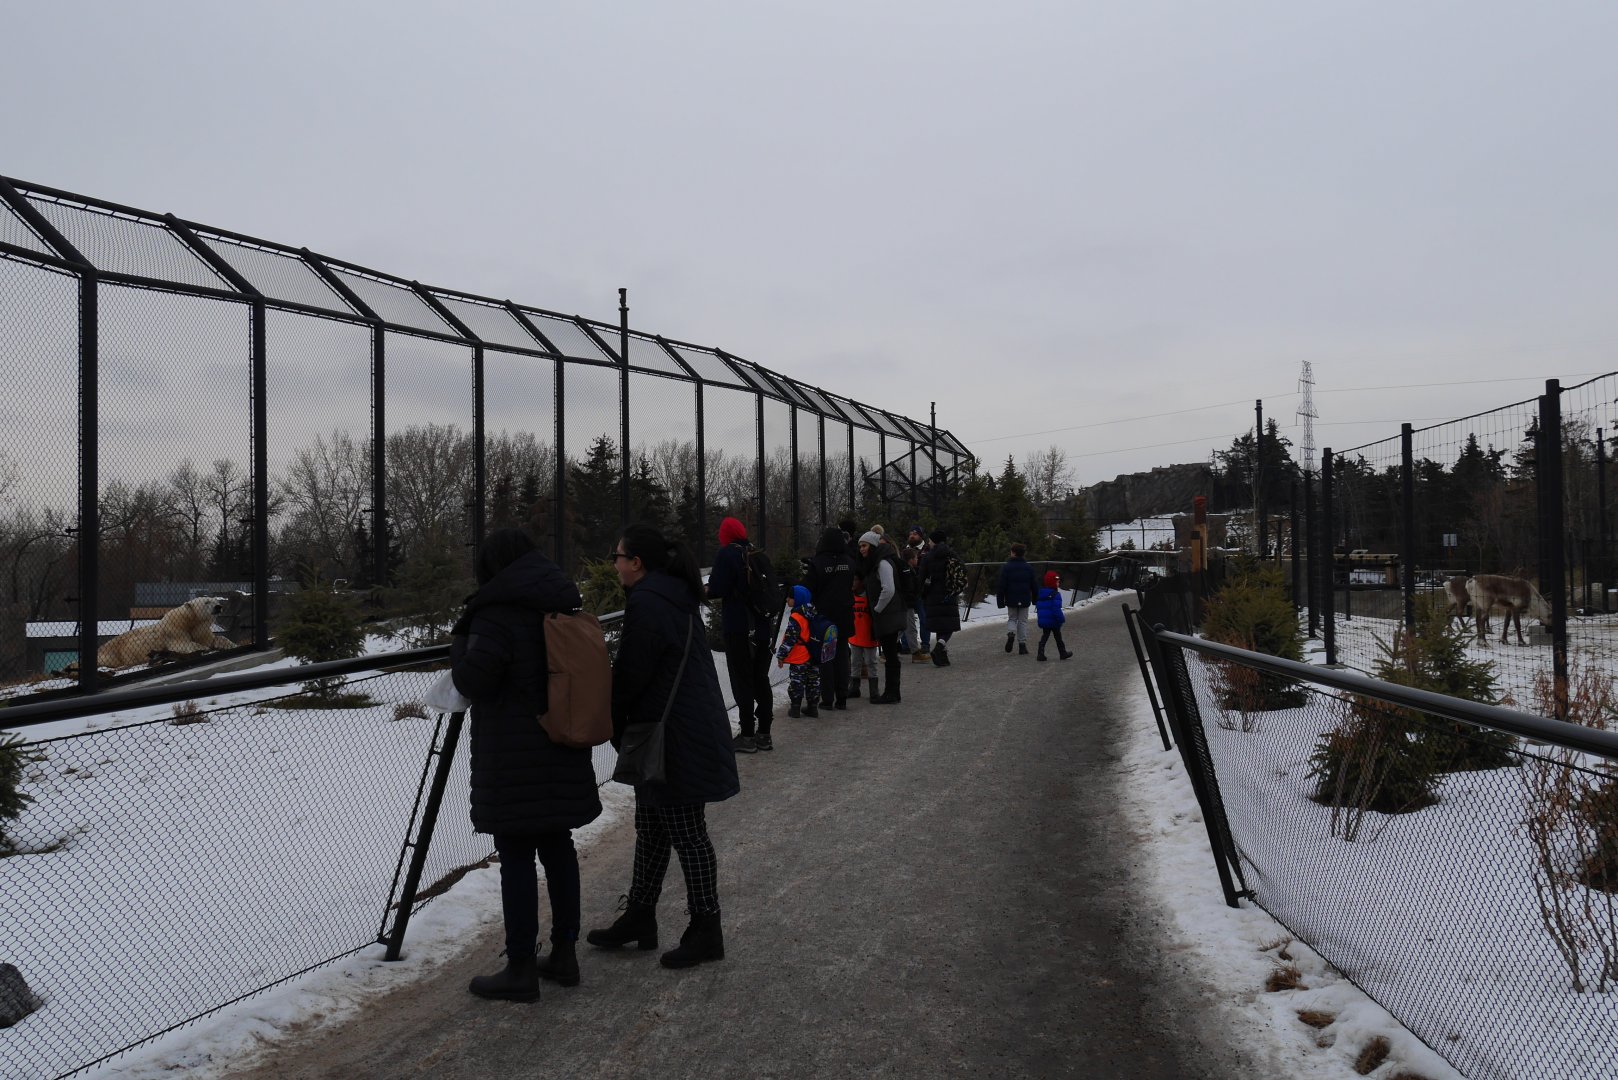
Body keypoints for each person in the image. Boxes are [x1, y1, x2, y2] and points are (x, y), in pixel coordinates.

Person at [451, 528, 603, 1003]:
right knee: (558, 846)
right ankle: (564, 953)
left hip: (515, 755)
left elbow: (475, 677)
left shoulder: (496, 613)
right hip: (561, 741)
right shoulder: (561, 602)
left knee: (516, 854)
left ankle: (520, 967)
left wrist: (460, 640)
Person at [588, 523, 740, 970]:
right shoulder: (671, 595)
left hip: (674, 737)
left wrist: (612, 720)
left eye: (618, 556)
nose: (614, 564)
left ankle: (706, 929)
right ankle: (640, 915)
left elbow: (635, 671)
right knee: (653, 828)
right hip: (680, 728)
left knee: (687, 833)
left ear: (636, 563)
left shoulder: (650, 602)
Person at [706, 516, 775, 753]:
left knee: (742, 680)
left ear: (726, 535)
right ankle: (765, 734)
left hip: (738, 628)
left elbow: (716, 588)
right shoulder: (758, 555)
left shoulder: (727, 555)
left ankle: (747, 735)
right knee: (761, 679)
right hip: (763, 627)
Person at [802, 527, 854, 710]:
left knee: (826, 657)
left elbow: (808, 588)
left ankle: (827, 698)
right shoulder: (848, 561)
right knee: (841, 655)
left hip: (824, 617)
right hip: (845, 614)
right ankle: (842, 697)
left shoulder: (817, 563)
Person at [856, 530, 906, 703]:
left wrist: (876, 609)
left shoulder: (882, 563)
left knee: (891, 655)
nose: (861, 549)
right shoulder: (876, 562)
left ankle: (892, 693)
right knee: (890, 654)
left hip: (888, 616)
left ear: (873, 545)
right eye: (860, 546)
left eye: (864, 545)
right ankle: (892, 692)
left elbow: (889, 589)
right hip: (888, 615)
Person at [776, 585, 821, 718]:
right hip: (813, 655)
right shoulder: (813, 612)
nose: (787, 600)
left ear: (797, 599)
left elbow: (790, 639)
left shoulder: (796, 617)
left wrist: (781, 655)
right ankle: (813, 708)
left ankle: (795, 708)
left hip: (800, 656)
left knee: (797, 681)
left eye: (790, 597)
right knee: (813, 681)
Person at [920, 527, 962, 667]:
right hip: (948, 593)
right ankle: (940, 648)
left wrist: (922, 593)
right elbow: (961, 571)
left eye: (930, 540)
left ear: (934, 541)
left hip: (932, 594)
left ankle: (942, 657)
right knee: (948, 625)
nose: (929, 543)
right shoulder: (952, 554)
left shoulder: (927, 557)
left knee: (940, 625)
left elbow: (921, 577)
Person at [996, 542, 1038, 655]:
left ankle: (1011, 633)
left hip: (1011, 598)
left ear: (1013, 553)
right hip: (1024, 598)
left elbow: (1001, 585)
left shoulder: (1006, 567)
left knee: (1012, 618)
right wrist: (1035, 599)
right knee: (1023, 621)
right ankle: (1022, 645)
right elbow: (1034, 585)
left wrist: (1000, 601)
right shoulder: (1028, 567)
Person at [847, 575, 880, 699]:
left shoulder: (870, 597)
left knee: (871, 662)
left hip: (869, 636)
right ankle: (854, 688)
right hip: (855, 635)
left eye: (856, 579)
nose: (853, 582)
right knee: (855, 662)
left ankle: (874, 690)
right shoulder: (850, 596)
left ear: (862, 581)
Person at [1035, 570, 1074, 661]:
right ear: (1053, 583)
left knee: (1045, 635)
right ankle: (1062, 653)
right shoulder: (1056, 595)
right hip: (1054, 620)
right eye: (1057, 582)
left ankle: (1040, 653)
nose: (1058, 583)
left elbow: (1039, 607)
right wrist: (1061, 619)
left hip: (1045, 620)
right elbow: (1056, 609)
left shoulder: (1041, 593)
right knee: (1058, 637)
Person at [906, 525, 932, 659]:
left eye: (915, 533)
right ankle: (906, 645)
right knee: (907, 619)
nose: (912, 536)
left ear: (921, 536)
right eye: (910, 533)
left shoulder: (926, 550)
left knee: (924, 617)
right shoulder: (905, 549)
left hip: (921, 590)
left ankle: (925, 643)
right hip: (908, 590)